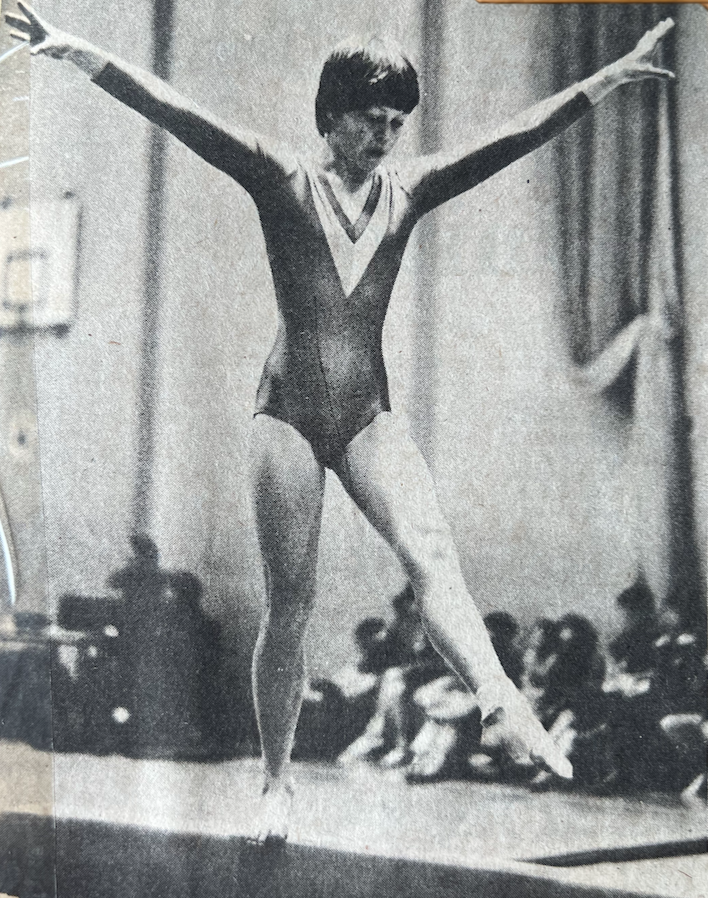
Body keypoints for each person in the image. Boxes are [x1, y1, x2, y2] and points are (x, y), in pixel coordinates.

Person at [5, 3, 676, 842]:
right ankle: (276, 782)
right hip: (286, 413)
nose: (387, 135)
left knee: (433, 553)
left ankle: (502, 701)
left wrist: (604, 80)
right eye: (371, 119)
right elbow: (176, 113)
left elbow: (513, 139)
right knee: (293, 603)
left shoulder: (412, 188)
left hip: (367, 411)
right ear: (331, 115)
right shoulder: (280, 177)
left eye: (398, 122)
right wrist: (74, 51)